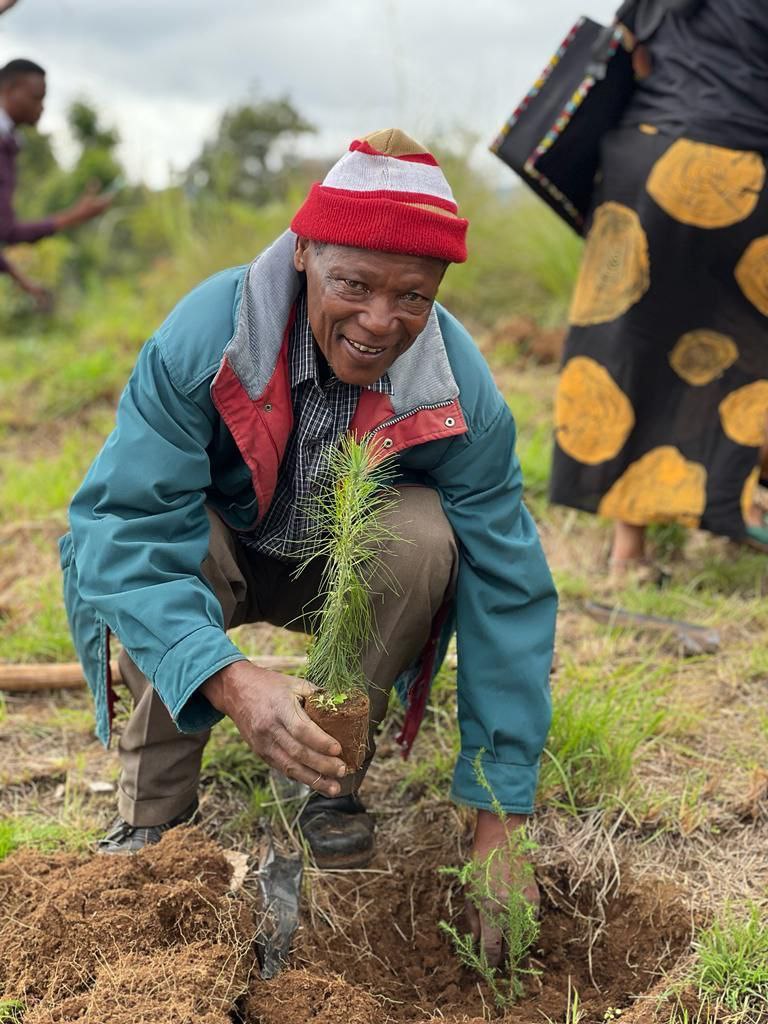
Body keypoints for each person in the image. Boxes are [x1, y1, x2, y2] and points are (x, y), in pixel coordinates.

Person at [61, 129, 557, 961]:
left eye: (412, 297)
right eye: (354, 284)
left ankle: (326, 778)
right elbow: (125, 527)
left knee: (423, 534)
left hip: (338, 570)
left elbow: (510, 587)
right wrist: (228, 676)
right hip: (216, 550)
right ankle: (154, 812)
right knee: (175, 551)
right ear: (303, 253)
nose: (377, 321)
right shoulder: (206, 338)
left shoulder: (457, 388)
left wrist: (501, 824)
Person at [550, 0, 768, 574]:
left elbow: (632, 59)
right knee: (753, 350)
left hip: (645, 162)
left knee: (634, 348)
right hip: (743, 165)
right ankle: (737, 502)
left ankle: (630, 553)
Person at [0, 58, 112, 309]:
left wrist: (23, 281)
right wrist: (74, 216)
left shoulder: (8, 142)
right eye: (36, 97)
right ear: (10, 90)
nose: (41, 108)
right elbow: (5, 231)